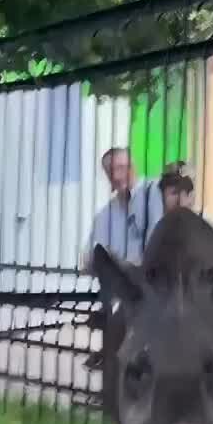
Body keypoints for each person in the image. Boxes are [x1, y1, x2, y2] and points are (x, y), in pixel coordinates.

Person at [82, 147, 163, 370]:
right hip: (120, 291)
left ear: (133, 167)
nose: (118, 176)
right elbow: (88, 258)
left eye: (122, 168)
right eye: (112, 171)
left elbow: (157, 244)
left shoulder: (153, 193)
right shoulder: (104, 215)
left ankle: (115, 354)